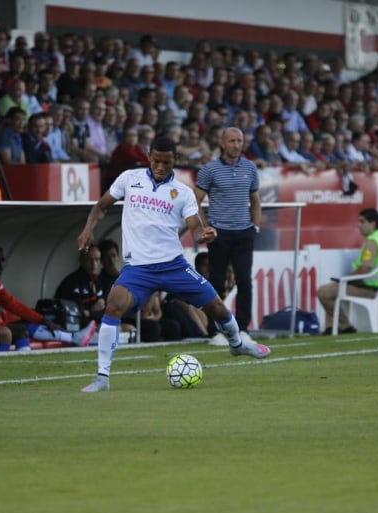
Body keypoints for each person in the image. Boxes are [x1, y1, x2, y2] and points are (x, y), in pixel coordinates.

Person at [78, 136, 271, 393]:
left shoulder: (183, 193)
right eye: (156, 160)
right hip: (138, 269)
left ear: (175, 161)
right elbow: (101, 207)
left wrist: (204, 234)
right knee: (113, 305)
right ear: (148, 156)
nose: (160, 166)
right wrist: (88, 228)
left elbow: (194, 225)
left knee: (218, 309)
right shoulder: (129, 179)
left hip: (173, 266)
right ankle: (102, 378)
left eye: (166, 162)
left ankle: (237, 344)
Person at [195, 127, 261, 344]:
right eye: (232, 141)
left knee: (244, 281)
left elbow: (256, 200)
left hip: (244, 232)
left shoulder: (250, 168)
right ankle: (214, 330)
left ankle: (242, 328)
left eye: (240, 140)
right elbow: (195, 200)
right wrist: (206, 227)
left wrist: (255, 227)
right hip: (219, 233)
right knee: (216, 281)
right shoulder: (209, 169)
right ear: (222, 144)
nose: (236, 145)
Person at [0, 250, 96, 352]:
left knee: (24, 326)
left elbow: (16, 306)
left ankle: (73, 337)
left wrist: (42, 319)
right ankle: (73, 337)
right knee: (16, 330)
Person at [317, 209, 378, 335]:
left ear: (373, 223)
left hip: (369, 288)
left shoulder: (373, 241)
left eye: (362, 222)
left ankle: (344, 326)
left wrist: (346, 278)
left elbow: (365, 268)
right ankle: (331, 328)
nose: (359, 225)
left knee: (324, 292)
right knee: (334, 289)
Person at [55, 246, 107, 328]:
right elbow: (73, 313)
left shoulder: (97, 282)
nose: (94, 263)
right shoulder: (71, 282)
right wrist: (92, 310)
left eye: (97, 259)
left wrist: (89, 312)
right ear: (82, 260)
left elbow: (102, 310)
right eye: (89, 259)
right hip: (72, 327)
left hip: (93, 326)